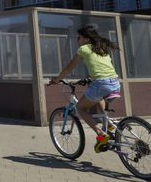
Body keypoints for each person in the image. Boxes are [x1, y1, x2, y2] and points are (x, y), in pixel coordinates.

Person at [49, 24, 120, 153]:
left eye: (79, 37)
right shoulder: (102, 48)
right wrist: (89, 77)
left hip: (101, 83)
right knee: (97, 97)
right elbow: (101, 67)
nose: (77, 40)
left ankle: (101, 134)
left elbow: (69, 68)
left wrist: (57, 79)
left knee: (80, 108)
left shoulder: (84, 49)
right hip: (115, 82)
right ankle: (107, 125)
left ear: (86, 39)